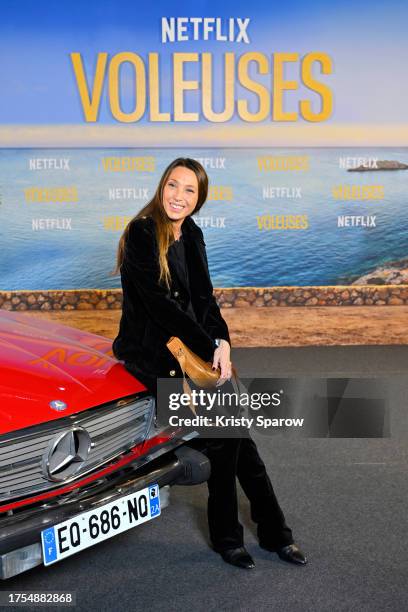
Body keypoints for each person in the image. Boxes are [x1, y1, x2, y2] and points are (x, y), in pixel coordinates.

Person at [112, 158, 307, 569]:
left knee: (242, 445)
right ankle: (228, 538)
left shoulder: (193, 233)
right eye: (172, 185)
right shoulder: (141, 233)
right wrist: (206, 344)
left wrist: (223, 344)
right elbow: (160, 307)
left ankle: (275, 535)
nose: (178, 197)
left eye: (189, 191)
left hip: (196, 353)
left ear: (199, 200)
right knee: (224, 442)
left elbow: (204, 299)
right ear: (160, 186)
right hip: (153, 356)